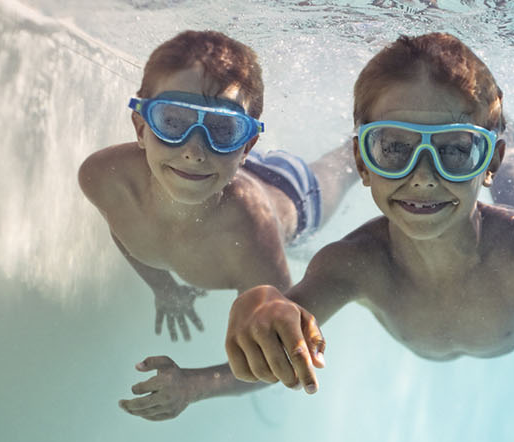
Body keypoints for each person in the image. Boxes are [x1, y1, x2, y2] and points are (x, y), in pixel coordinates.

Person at [199, 32, 514, 417]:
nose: (424, 176)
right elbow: (272, 342)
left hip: (505, 231)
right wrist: (257, 310)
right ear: (363, 163)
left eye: (456, 150)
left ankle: (506, 139)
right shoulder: (353, 263)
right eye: (393, 148)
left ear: (486, 162)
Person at [78, 30, 358, 379]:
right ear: (141, 127)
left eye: (224, 128)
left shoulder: (252, 236)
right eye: (174, 122)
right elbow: (122, 226)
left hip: (293, 193)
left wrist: (192, 386)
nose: (194, 150)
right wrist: (163, 288)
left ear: (248, 146)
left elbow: (282, 358)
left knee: (347, 161)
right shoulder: (106, 177)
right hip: (223, 171)